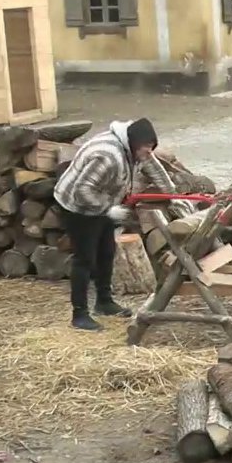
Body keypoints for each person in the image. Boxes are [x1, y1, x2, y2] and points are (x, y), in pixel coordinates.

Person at [54, 118, 159, 331]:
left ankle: (104, 301)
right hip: (77, 205)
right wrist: (107, 210)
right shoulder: (108, 157)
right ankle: (79, 314)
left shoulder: (133, 148)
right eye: (147, 150)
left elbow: (153, 166)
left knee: (107, 251)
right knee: (85, 259)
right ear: (134, 143)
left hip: (100, 199)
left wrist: (173, 192)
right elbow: (81, 191)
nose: (149, 154)